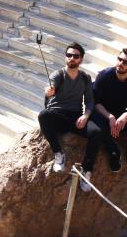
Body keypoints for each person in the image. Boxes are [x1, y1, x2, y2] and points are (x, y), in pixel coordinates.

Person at [82, 48, 127, 186]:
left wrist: (125, 116)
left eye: (125, 62)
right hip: (100, 113)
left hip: (118, 117)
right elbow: (95, 102)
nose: (121, 63)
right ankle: (100, 161)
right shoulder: (104, 75)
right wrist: (110, 117)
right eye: (119, 59)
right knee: (98, 131)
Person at [38, 42, 93, 177]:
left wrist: (85, 116)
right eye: (69, 55)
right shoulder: (58, 75)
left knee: (96, 132)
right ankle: (58, 153)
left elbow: (90, 101)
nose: (72, 58)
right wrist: (49, 92)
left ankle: (87, 169)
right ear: (65, 57)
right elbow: (49, 88)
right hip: (58, 115)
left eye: (76, 56)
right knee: (43, 115)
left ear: (81, 59)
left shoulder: (85, 78)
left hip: (75, 117)